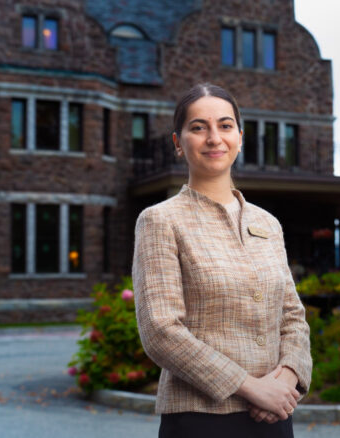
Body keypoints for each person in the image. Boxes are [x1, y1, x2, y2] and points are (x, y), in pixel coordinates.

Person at [132, 83, 312, 438]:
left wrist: (287, 378)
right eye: (199, 127)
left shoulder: (267, 223)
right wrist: (249, 387)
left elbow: (293, 316)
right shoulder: (160, 221)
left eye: (225, 126)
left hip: (274, 418)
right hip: (201, 420)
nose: (214, 138)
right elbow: (160, 330)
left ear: (240, 138)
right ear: (178, 143)